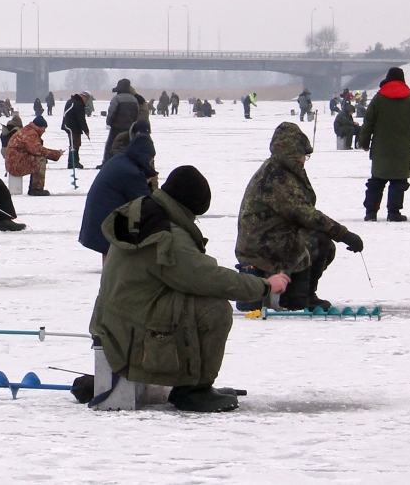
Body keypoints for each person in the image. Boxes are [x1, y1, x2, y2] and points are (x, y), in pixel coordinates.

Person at [90, 166, 291, 413]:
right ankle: (193, 389)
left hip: (121, 321)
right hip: (128, 333)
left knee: (197, 301)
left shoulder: (148, 212)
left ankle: (193, 383)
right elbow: (208, 278)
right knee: (214, 310)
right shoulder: (167, 234)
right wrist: (265, 285)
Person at [235, 122, 363, 311]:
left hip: (270, 236)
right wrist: (343, 234)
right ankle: (299, 297)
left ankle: (297, 293)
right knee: (317, 241)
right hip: (260, 243)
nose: (305, 160)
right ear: (293, 154)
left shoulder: (282, 170)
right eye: (304, 155)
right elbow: (304, 213)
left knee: (314, 239)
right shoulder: (276, 177)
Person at [359, 67, 410, 222]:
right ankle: (394, 213)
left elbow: (368, 122)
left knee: (377, 181)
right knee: (398, 182)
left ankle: (371, 213)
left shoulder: (378, 99)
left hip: (381, 149)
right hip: (403, 149)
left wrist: (364, 142)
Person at [79, 127, 156, 261]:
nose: (150, 162)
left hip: (99, 218)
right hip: (106, 221)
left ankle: (108, 274)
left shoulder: (121, 159)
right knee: (112, 255)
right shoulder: (130, 172)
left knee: (108, 252)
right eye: (150, 158)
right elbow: (145, 203)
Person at [5, 116, 63, 196]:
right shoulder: (30, 134)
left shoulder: (28, 131)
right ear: (39, 127)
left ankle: (34, 187)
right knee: (40, 159)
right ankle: (36, 189)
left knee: (38, 158)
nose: (44, 131)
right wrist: (55, 154)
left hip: (15, 161)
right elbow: (38, 150)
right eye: (44, 128)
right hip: (15, 165)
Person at [103, 78, 140, 164]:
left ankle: (107, 162)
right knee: (127, 144)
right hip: (129, 127)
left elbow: (112, 112)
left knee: (111, 144)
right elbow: (137, 113)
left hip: (116, 127)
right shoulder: (134, 99)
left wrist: (109, 123)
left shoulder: (116, 98)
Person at [61, 92, 90, 169]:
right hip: (73, 127)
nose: (86, 101)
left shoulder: (71, 101)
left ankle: (73, 162)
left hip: (68, 126)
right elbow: (81, 119)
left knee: (74, 144)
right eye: (87, 99)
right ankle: (73, 162)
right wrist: (86, 130)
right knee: (75, 144)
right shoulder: (78, 104)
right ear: (84, 97)